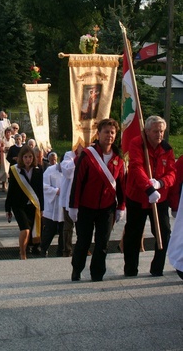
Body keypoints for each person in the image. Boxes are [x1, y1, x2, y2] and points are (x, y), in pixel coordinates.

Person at [69, 118, 125, 281]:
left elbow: (121, 184)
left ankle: (97, 273)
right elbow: (77, 182)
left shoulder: (119, 158)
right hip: (86, 206)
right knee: (83, 241)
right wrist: (74, 206)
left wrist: (121, 205)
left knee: (102, 243)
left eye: (112, 132)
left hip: (107, 208)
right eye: (106, 132)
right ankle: (77, 269)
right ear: (98, 134)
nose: (109, 135)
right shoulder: (87, 155)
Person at [123, 115, 176, 277]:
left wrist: (159, 183)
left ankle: (157, 268)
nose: (159, 134)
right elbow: (136, 167)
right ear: (146, 131)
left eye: (161, 131)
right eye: (155, 131)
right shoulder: (137, 143)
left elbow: (172, 172)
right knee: (134, 233)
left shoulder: (167, 149)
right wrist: (148, 187)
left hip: (160, 197)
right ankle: (131, 269)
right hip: (138, 197)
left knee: (164, 232)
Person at [5, 145, 44, 260]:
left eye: (30, 157)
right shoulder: (15, 170)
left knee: (32, 229)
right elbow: (11, 190)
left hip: (33, 205)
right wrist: (7, 208)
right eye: (25, 157)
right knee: (25, 229)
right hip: (18, 205)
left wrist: (42, 208)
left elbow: (40, 190)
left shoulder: (38, 170)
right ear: (21, 158)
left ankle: (29, 248)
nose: (28, 159)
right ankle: (22, 253)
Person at [40, 152, 65, 257]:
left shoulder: (70, 172)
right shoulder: (50, 170)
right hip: (53, 204)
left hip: (64, 206)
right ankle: (43, 248)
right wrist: (55, 191)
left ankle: (61, 251)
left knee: (64, 230)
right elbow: (43, 186)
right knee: (50, 229)